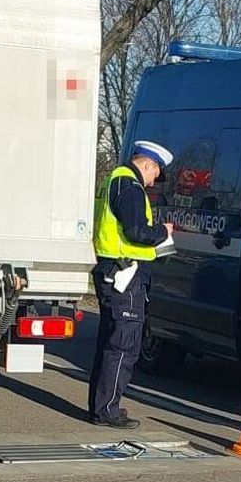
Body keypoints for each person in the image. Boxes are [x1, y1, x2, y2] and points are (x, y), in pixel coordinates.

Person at [88, 140, 175, 429]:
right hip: (125, 274)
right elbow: (136, 232)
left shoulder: (114, 180)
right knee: (123, 344)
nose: (153, 181)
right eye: (155, 174)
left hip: (112, 269)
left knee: (110, 341)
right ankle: (107, 410)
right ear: (148, 164)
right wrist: (162, 231)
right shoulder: (130, 186)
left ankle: (102, 406)